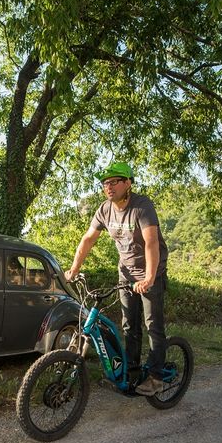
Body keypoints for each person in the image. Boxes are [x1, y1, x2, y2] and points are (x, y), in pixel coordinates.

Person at [64, 161, 169, 396]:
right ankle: (131, 371)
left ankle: (156, 377)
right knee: (128, 324)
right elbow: (88, 239)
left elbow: (152, 242)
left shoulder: (142, 206)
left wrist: (151, 277)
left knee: (153, 325)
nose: (108, 187)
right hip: (126, 272)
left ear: (128, 183)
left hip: (150, 272)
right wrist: (73, 269)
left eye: (114, 182)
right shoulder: (104, 209)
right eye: (105, 183)